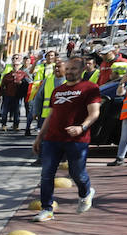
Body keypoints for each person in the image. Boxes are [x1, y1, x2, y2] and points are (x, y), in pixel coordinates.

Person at [33, 55, 100, 223]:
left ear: (82, 69)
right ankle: (47, 209)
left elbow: (94, 113)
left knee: (77, 173)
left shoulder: (90, 88)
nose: (69, 72)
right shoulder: (58, 90)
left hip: (77, 140)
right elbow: (51, 114)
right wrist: (40, 137)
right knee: (46, 174)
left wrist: (81, 127)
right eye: (67, 69)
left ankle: (86, 193)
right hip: (52, 139)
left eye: (73, 69)